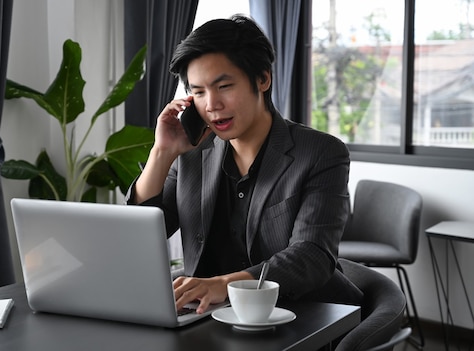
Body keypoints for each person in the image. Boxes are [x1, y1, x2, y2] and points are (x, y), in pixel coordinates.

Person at [125, 15, 362, 314]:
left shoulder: (321, 152)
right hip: (213, 316)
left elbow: (312, 255)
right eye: (198, 92)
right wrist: (161, 153)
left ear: (262, 79)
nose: (211, 104)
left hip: (301, 314)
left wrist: (225, 284)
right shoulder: (191, 153)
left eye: (223, 86)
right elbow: (141, 238)